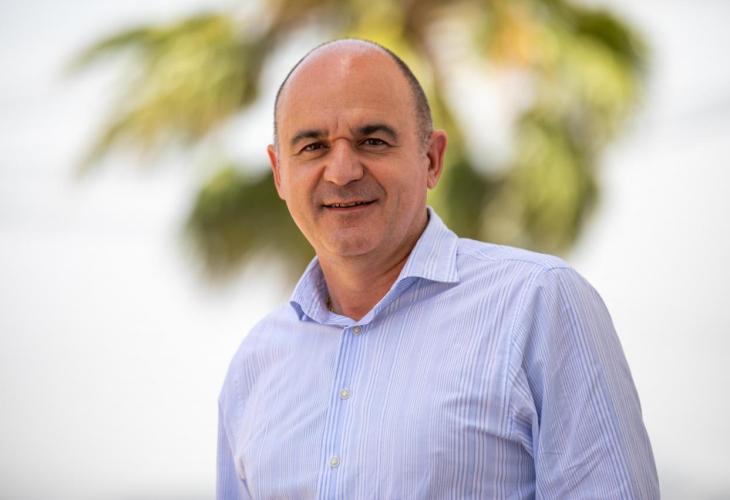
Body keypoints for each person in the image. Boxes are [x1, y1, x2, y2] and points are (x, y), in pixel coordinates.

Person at [216, 39, 659, 499]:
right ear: (279, 173)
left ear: (432, 159)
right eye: (313, 146)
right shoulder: (255, 365)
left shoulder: (537, 303)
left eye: (373, 141)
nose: (342, 171)